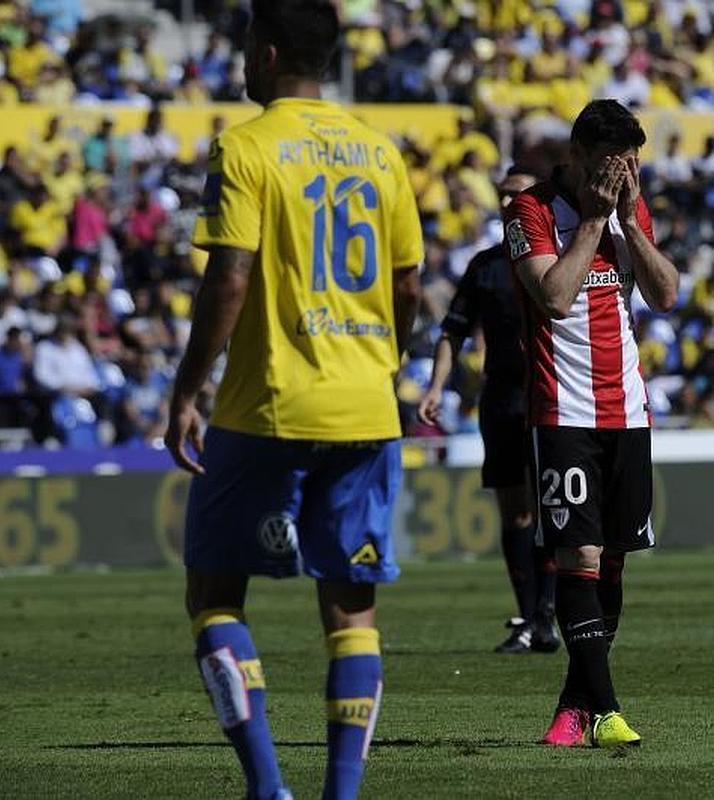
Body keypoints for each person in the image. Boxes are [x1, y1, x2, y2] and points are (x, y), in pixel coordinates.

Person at [164, 3, 424, 799]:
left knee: (214, 591)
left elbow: (230, 277)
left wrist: (187, 390)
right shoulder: (383, 155)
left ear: (267, 54)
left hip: (268, 405)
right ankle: (340, 795)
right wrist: (383, 362)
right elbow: (407, 283)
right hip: (366, 408)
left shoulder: (245, 146)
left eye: (246, 48)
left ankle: (268, 788)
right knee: (351, 610)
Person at [504, 99, 679, 748]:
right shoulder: (531, 212)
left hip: (627, 412)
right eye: (612, 165)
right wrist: (594, 222)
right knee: (576, 555)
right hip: (563, 410)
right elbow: (552, 297)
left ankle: (575, 707)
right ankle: (606, 711)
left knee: (610, 567)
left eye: (632, 163)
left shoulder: (632, 209)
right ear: (576, 159)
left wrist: (628, 222)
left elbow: (665, 294)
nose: (624, 175)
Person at [417, 167, 562, 655]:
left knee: (553, 510)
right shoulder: (484, 266)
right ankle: (530, 616)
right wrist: (437, 386)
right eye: (501, 196)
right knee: (516, 512)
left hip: (554, 396)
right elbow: (452, 331)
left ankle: (549, 613)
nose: (505, 205)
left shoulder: (558, 260)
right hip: (501, 401)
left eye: (515, 196)